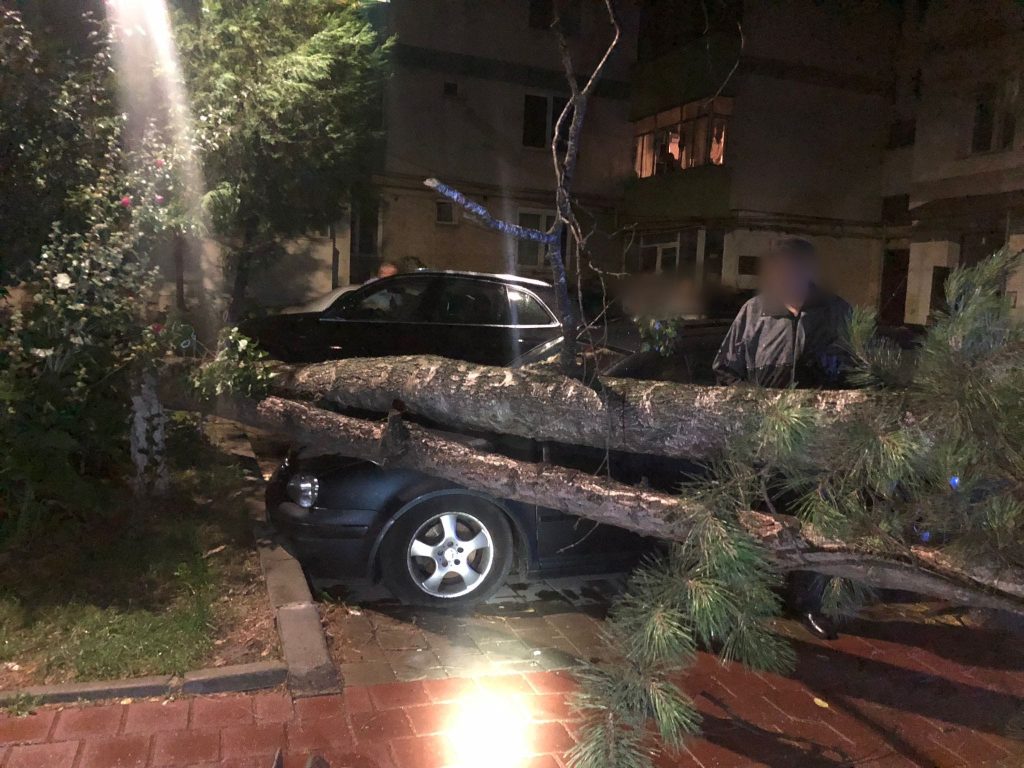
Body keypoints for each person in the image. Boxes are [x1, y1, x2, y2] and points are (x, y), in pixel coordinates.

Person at [713, 237, 853, 640]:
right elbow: (724, 371)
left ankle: (807, 604)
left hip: (816, 450)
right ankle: (750, 601)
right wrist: (757, 408)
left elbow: (862, 376)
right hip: (764, 450)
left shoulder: (837, 313)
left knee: (813, 528)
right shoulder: (755, 313)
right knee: (756, 522)